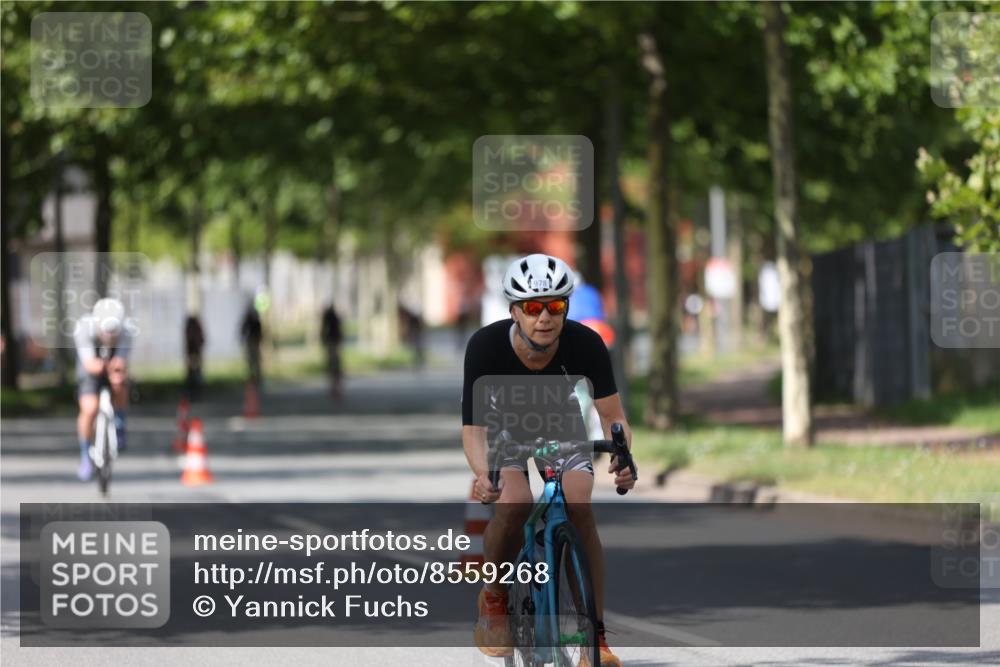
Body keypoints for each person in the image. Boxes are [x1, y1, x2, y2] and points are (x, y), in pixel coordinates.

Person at [462, 253, 635, 667]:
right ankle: (495, 597)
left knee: (580, 505)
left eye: (555, 306)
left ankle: (596, 639)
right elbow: (473, 430)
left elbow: (613, 418)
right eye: (533, 307)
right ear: (514, 311)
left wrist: (624, 456)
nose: (545, 317)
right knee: (515, 502)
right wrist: (482, 474)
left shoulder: (586, 344)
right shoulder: (485, 347)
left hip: (560, 423)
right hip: (505, 428)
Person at [73, 297, 132, 481]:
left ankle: (120, 423)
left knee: (119, 384)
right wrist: (104, 367)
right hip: (91, 365)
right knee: (89, 408)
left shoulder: (127, 332)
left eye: (113, 332)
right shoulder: (83, 328)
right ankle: (85, 455)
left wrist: (117, 373)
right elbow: (90, 364)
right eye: (106, 332)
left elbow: (121, 361)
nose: (109, 336)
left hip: (112, 363)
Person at [320, 303, 343, 399]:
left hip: (331, 342)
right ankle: (335, 387)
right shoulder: (335, 318)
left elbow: (323, 330)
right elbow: (339, 331)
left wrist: (324, 340)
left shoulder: (327, 318)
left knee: (332, 365)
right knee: (334, 365)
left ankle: (334, 387)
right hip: (333, 343)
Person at [239, 301, 263, 386]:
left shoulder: (255, 319)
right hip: (250, 341)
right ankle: (252, 376)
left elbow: (259, 330)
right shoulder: (249, 319)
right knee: (251, 360)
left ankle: (257, 376)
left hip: (254, 341)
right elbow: (243, 329)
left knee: (255, 360)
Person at [184, 314, 205, 401]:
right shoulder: (193, 328)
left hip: (194, 353)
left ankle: (195, 393)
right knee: (193, 373)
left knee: (194, 373)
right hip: (193, 353)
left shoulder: (192, 328)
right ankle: (193, 393)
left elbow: (201, 340)